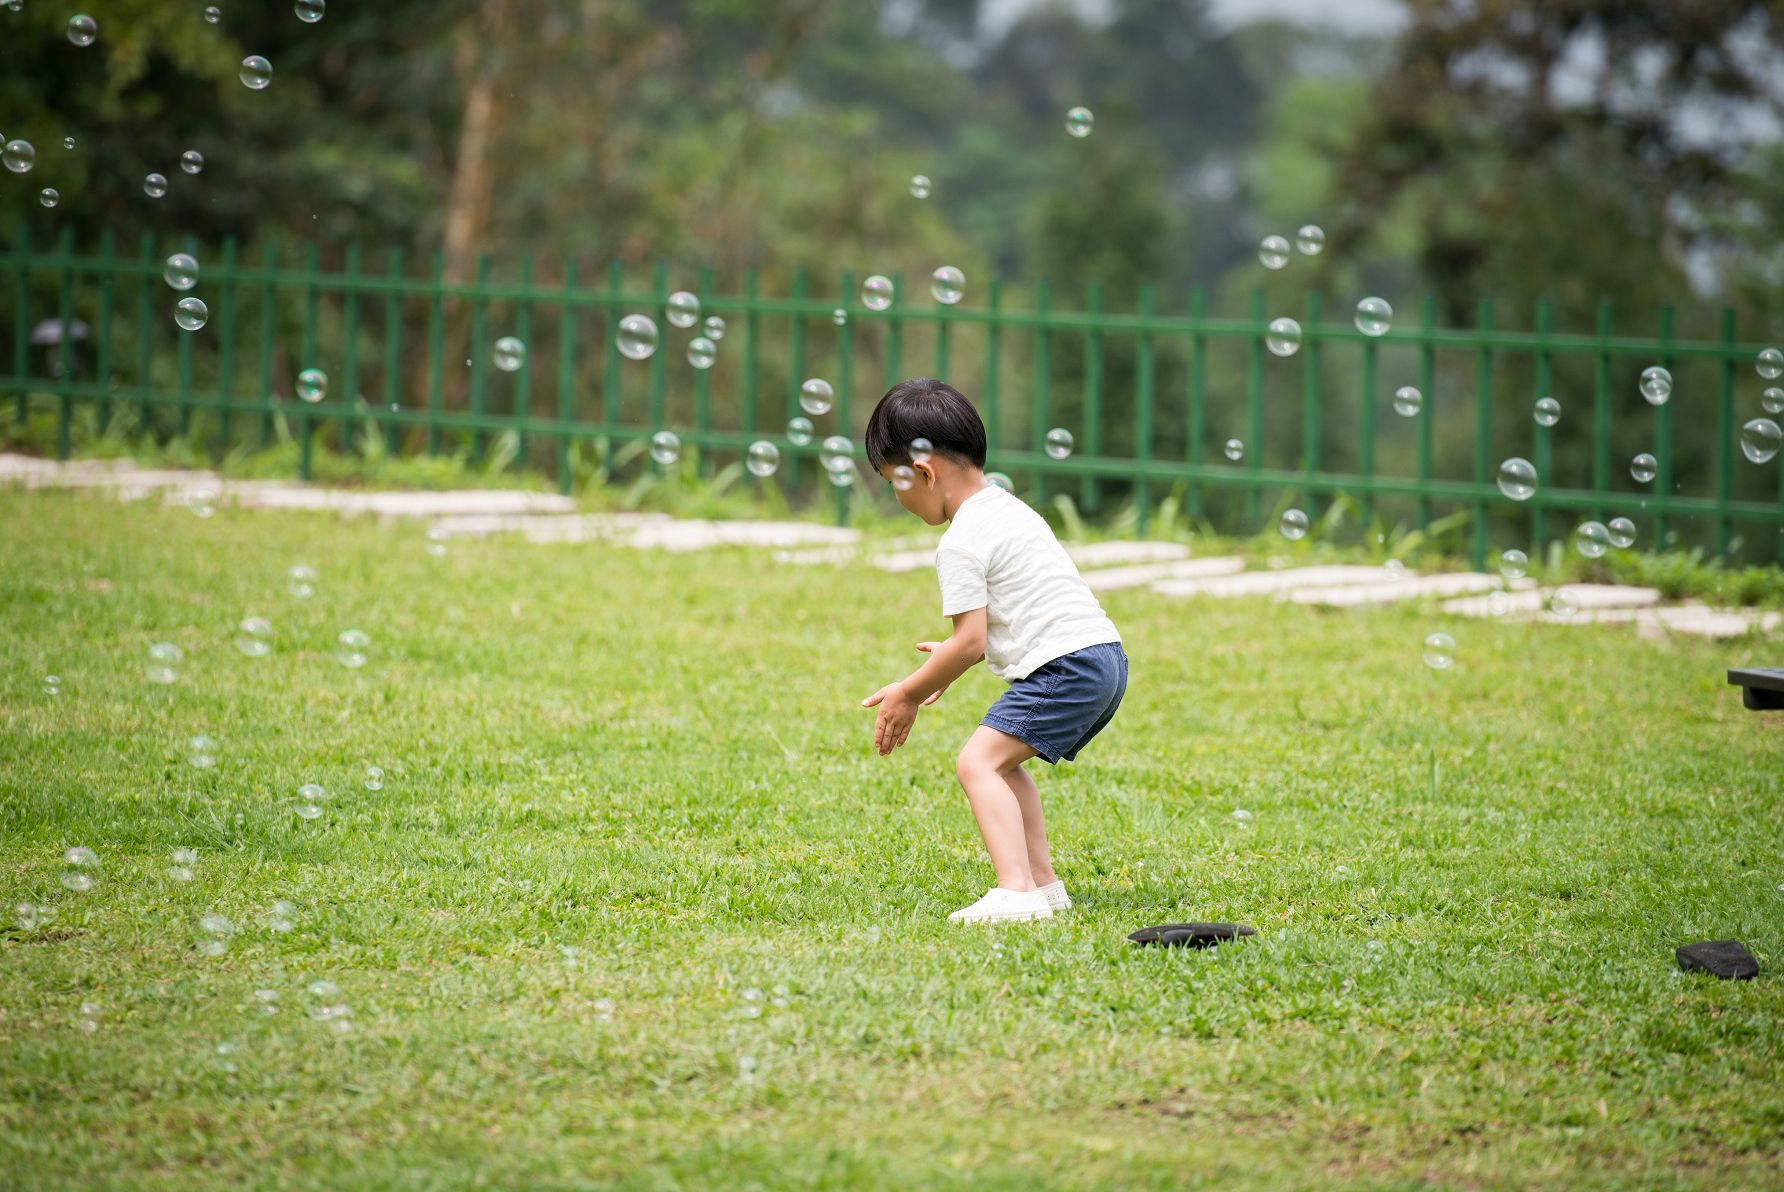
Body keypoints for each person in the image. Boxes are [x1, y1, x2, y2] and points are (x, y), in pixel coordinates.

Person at [859, 378, 1127, 924]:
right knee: (1003, 765)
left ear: (924, 472)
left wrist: (909, 690)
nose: (898, 496)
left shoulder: (959, 542)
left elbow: (971, 640)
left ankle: (1017, 892)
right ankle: (1043, 886)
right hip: (1102, 657)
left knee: (977, 762)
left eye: (894, 482)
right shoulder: (1010, 510)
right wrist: (950, 660)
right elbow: (1004, 621)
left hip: (1066, 667)